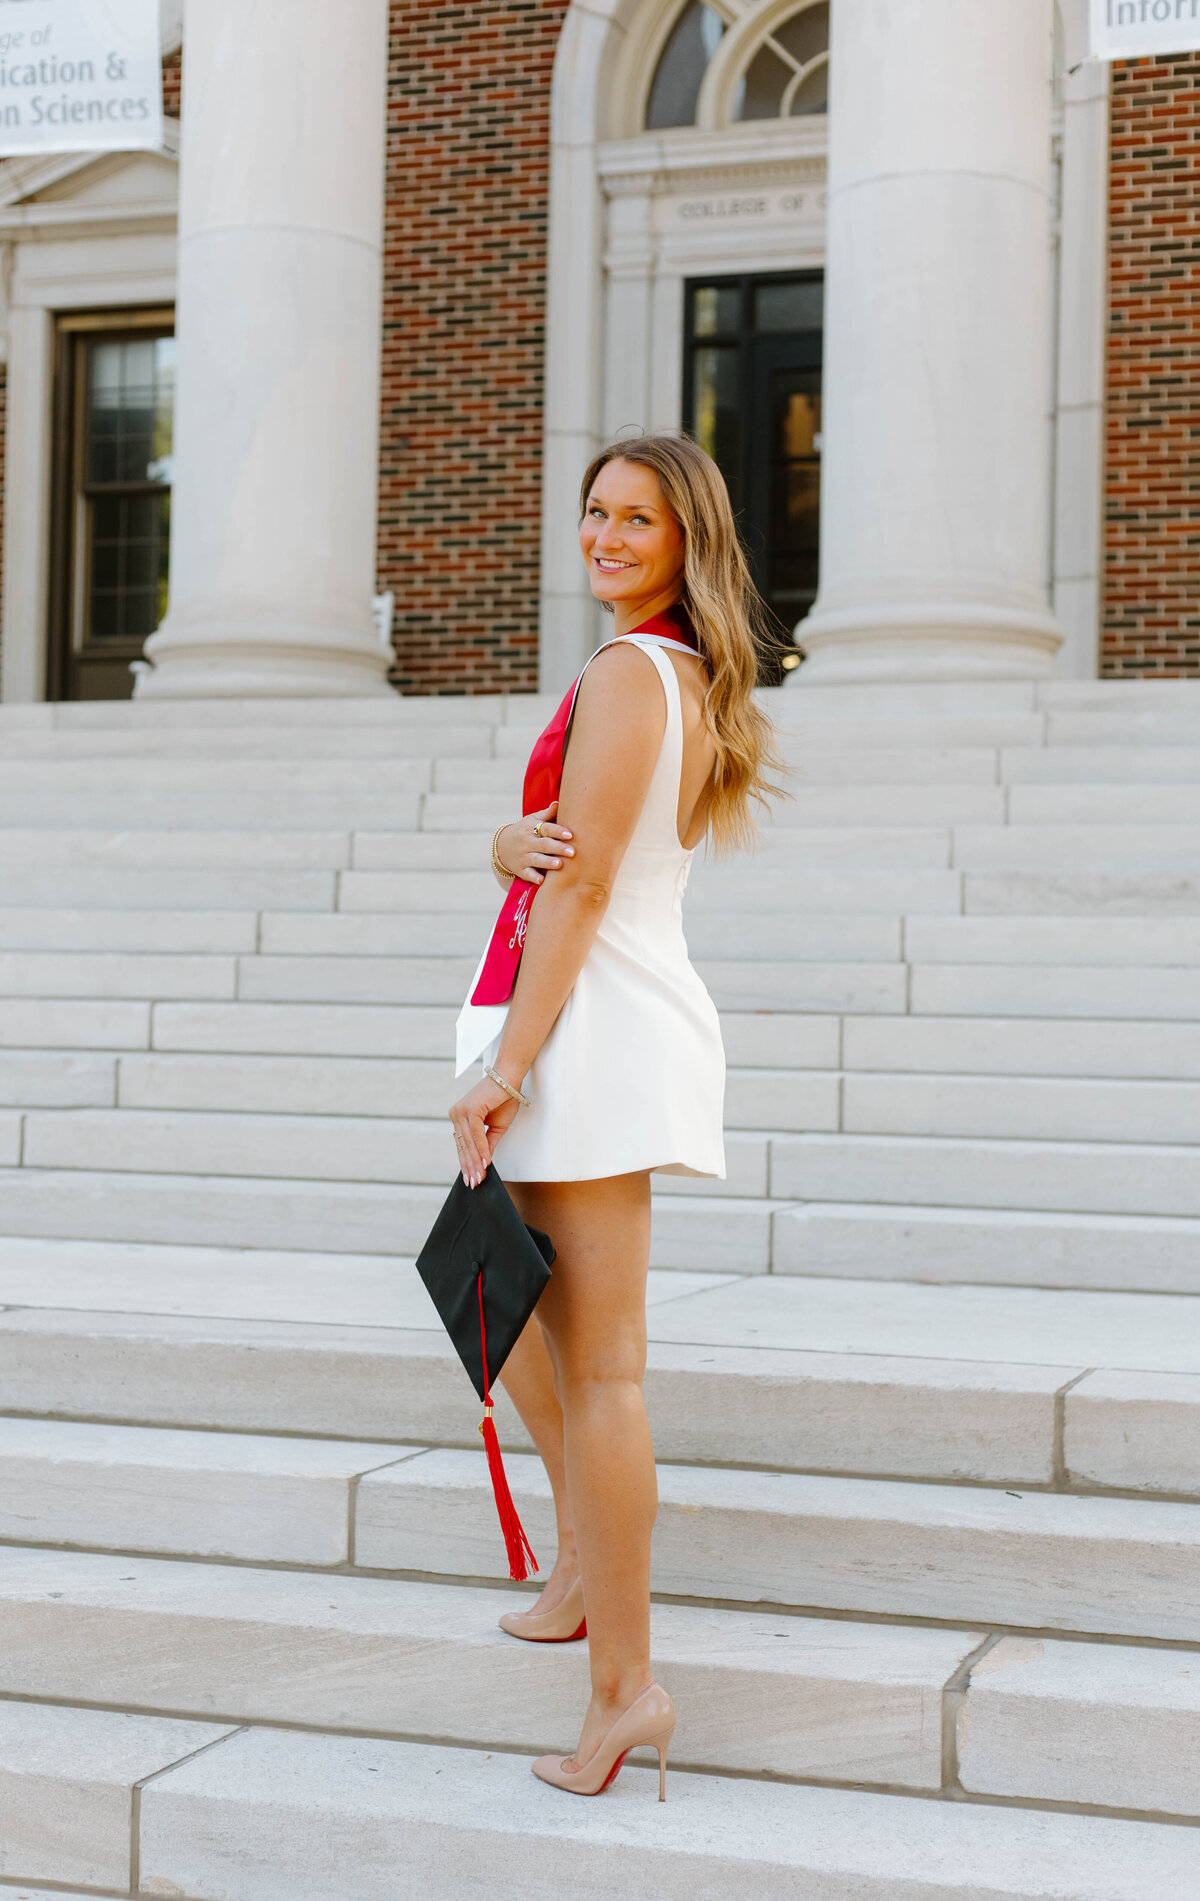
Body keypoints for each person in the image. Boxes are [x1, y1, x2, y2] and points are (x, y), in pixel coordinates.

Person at [449, 432, 782, 1801]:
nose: (605, 534)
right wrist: (498, 840)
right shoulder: (660, 672)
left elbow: (586, 896)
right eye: (595, 511)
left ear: (685, 540)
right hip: (572, 1025)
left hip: (584, 1037)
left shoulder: (636, 672)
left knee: (605, 1368)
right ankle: (583, 1555)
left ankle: (623, 1687)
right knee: (490, 1295)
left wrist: (508, 1066)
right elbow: (566, 853)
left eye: (636, 519)